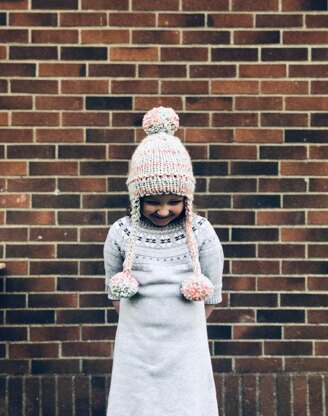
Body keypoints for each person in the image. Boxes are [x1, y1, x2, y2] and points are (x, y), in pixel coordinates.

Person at [104, 107, 224, 416]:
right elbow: (114, 289)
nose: (163, 211)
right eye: (153, 203)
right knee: (136, 402)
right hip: (137, 343)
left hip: (186, 342)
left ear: (187, 199)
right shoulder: (121, 233)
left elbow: (211, 291)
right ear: (137, 199)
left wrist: (184, 323)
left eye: (173, 202)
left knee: (187, 401)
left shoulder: (200, 232)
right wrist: (141, 320)